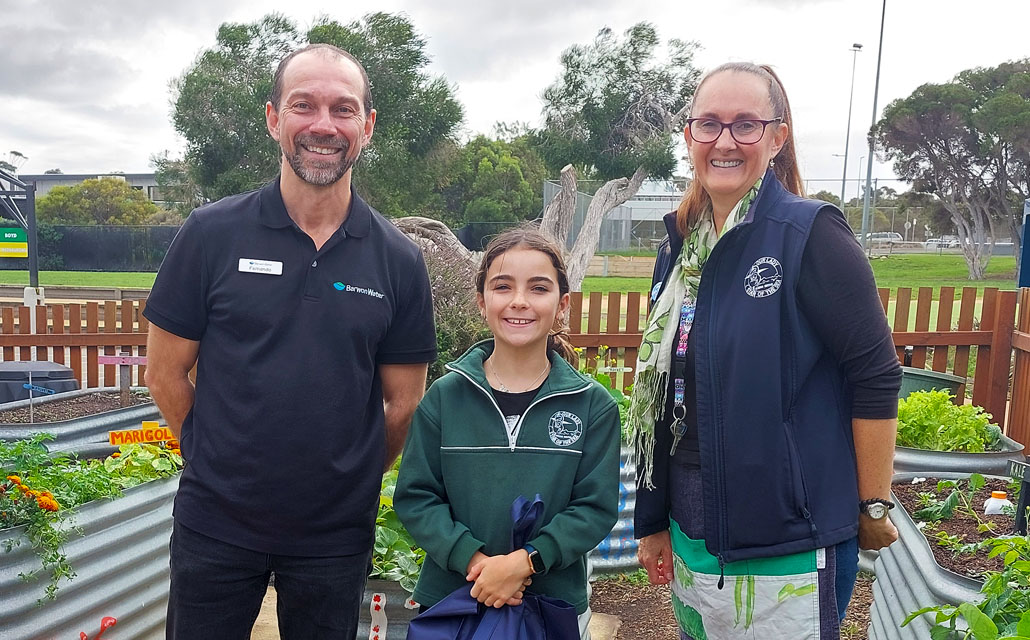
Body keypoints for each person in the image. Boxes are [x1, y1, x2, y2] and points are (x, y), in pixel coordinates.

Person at [143, 43, 437, 640]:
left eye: (343, 108)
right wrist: (208, 455)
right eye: (304, 105)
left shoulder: (399, 260)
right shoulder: (211, 234)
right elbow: (165, 374)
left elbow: (403, 403)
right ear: (275, 118)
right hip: (216, 524)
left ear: (367, 126)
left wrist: (351, 480)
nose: (323, 125)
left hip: (334, 535)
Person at [627, 62, 902, 639]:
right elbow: (665, 395)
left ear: (777, 138)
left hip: (788, 537)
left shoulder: (811, 235)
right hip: (692, 522)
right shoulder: (679, 248)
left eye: (746, 125)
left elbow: (875, 376)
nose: (725, 141)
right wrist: (651, 521)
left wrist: (873, 504)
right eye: (709, 124)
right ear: (689, 137)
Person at [394, 228, 621, 639]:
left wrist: (525, 562)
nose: (519, 301)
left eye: (538, 288)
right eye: (503, 286)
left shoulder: (593, 406)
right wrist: (476, 562)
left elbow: (595, 508)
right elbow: (417, 497)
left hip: (550, 608)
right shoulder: (444, 399)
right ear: (482, 302)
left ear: (562, 305)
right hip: (452, 603)